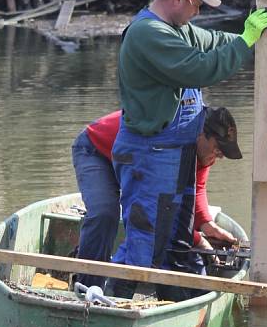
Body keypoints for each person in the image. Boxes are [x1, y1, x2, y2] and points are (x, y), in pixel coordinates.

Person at [111, 0, 267, 284]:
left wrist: (263, 42)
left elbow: (213, 41)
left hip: (174, 153)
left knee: (176, 238)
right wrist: (246, 41)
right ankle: (118, 301)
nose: (198, 13)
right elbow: (199, 69)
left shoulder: (178, 29)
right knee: (146, 238)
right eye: (197, 5)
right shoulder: (149, 33)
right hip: (150, 154)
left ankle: (173, 295)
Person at [72, 106, 243, 290]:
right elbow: (153, 206)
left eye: (220, 155)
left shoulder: (200, 150)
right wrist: (196, 239)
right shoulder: (170, 142)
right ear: (201, 134)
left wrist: (207, 225)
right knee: (105, 213)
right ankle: (87, 286)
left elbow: (196, 188)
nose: (216, 158)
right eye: (217, 150)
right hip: (96, 151)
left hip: (132, 161)